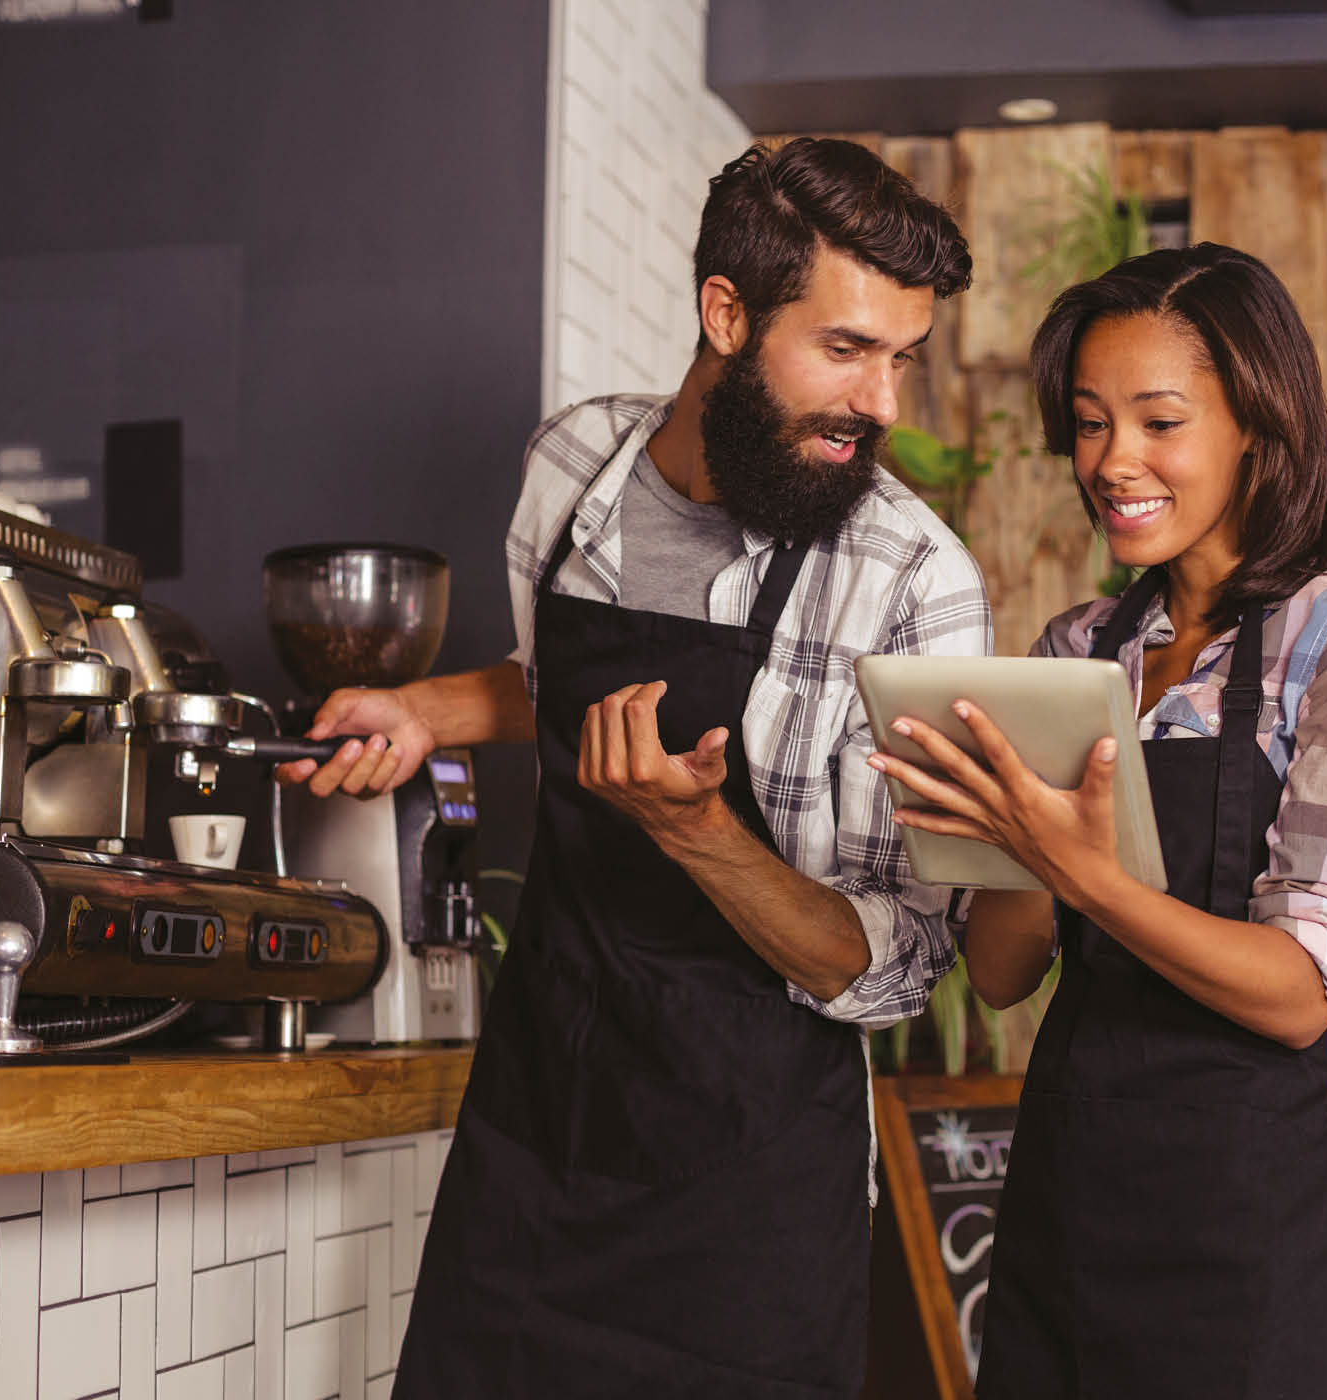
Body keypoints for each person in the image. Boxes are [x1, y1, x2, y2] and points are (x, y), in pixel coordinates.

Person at [278, 138, 989, 1398]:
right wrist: (428, 707)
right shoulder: (572, 469)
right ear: (726, 312)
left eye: (901, 358)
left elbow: (898, 967)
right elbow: (555, 680)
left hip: (749, 1201)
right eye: (846, 349)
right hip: (537, 1131)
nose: (884, 403)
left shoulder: (912, 581)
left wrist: (700, 832)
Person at [868, 243, 1327, 1400]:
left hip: (1253, 1250)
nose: (1112, 461)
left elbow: (1295, 992)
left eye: (1158, 421)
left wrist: (1085, 871)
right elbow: (996, 971)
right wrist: (1009, 832)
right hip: (1068, 1219)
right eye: (1089, 423)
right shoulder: (1078, 649)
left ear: (1258, 430)